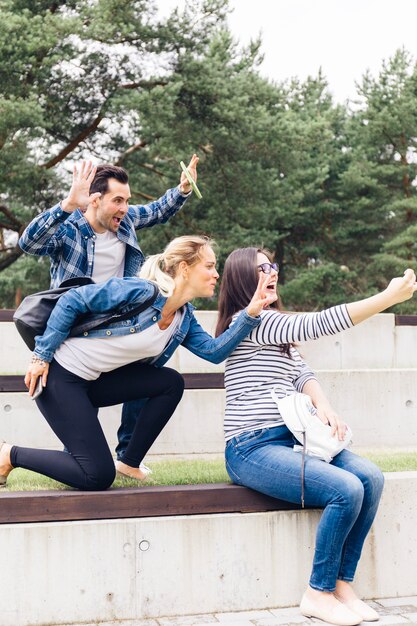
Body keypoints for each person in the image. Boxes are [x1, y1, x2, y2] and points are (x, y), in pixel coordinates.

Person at [215, 247, 417, 626]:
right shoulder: (253, 322)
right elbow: (319, 323)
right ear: (243, 278)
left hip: (291, 438)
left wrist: (324, 405)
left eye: (272, 265)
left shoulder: (274, 328)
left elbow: (301, 371)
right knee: (347, 489)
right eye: (261, 268)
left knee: (371, 478)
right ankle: (317, 592)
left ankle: (342, 585)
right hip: (250, 447)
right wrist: (387, 298)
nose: (271, 272)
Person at [0, 236, 275, 491]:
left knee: (170, 382)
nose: (217, 274)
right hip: (60, 378)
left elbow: (214, 352)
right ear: (184, 268)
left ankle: (129, 462)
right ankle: (10, 454)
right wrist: (41, 356)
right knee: (97, 475)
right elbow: (72, 300)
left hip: (95, 382)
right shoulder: (141, 291)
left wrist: (250, 313)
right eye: (210, 266)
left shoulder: (183, 317)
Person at [19, 156, 199, 464]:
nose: (125, 208)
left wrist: (181, 190)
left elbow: (156, 211)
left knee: (147, 370)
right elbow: (28, 243)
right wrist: (66, 205)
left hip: (115, 323)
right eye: (118, 200)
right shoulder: (70, 229)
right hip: (74, 326)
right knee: (84, 394)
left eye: (127, 201)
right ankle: (77, 458)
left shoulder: (124, 220)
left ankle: (128, 455)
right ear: (94, 199)